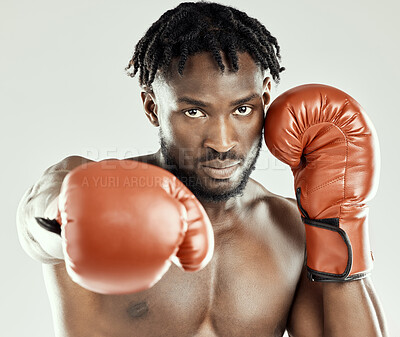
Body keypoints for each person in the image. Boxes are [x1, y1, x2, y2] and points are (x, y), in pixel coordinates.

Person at [16, 2, 388, 336]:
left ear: (267, 98)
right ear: (151, 107)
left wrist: (341, 225)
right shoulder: (101, 195)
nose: (223, 142)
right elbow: (40, 218)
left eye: (242, 109)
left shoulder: (292, 228)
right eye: (194, 112)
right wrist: (75, 216)